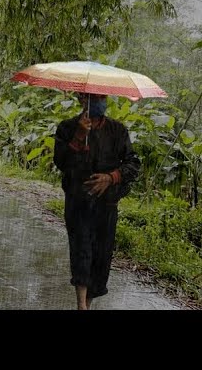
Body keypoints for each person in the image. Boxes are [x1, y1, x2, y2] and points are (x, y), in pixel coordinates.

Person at [53, 92, 140, 310]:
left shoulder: (117, 130)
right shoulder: (66, 128)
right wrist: (79, 137)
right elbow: (62, 162)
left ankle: (87, 304)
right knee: (81, 250)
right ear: (82, 99)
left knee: (101, 255)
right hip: (78, 202)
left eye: (103, 97)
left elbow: (133, 163)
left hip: (107, 204)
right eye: (95, 98)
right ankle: (81, 305)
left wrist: (111, 178)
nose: (101, 102)